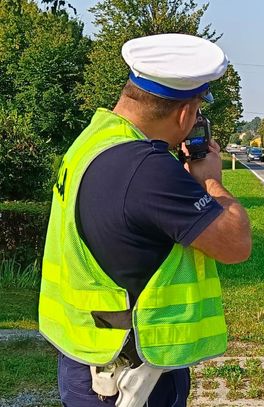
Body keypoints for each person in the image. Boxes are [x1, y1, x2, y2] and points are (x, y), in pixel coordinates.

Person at [38, 33, 252, 406]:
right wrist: (211, 180)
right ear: (186, 113)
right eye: (198, 109)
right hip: (132, 377)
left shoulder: (92, 140)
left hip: (85, 355)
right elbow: (235, 244)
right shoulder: (148, 170)